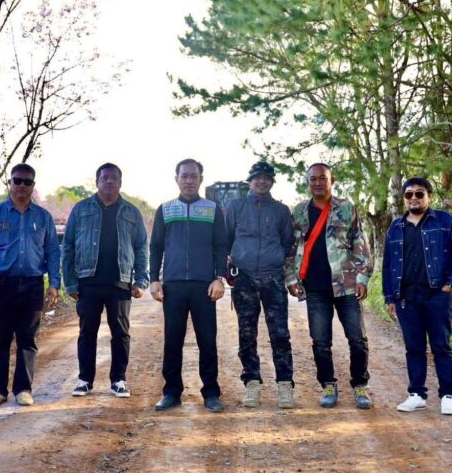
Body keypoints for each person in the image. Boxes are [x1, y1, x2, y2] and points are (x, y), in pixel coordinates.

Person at [286, 163, 374, 409]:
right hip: (314, 287)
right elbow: (291, 248)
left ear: (331, 181)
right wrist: (291, 279)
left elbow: (360, 242)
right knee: (321, 341)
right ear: (308, 182)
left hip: (346, 285)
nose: (317, 183)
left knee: (357, 339)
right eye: (313, 179)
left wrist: (362, 278)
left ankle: (360, 385)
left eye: (322, 178)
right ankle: (328, 384)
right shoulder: (299, 212)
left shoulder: (346, 208)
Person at [0, 163, 61, 407]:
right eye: (17, 180)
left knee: (27, 339)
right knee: (0, 338)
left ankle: (23, 388)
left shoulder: (43, 217)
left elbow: (53, 251)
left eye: (27, 181)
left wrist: (54, 283)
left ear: (33, 186)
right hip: (2, 285)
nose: (22, 185)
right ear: (9, 183)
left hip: (33, 285)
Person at [62, 163, 149, 398]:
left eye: (113, 178)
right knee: (86, 332)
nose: (109, 181)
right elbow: (67, 246)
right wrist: (70, 282)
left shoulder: (131, 212)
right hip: (87, 281)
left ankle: (119, 380)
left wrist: (140, 280)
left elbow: (141, 247)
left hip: (120, 282)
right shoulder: (81, 209)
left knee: (120, 332)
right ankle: (84, 380)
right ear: (97, 181)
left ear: (120, 182)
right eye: (105, 178)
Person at [149, 158, 229, 413]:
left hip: (204, 286)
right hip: (173, 285)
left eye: (194, 176)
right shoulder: (165, 209)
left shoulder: (212, 209)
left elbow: (221, 246)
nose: (189, 180)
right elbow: (156, 246)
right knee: (173, 340)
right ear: (177, 179)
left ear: (201, 179)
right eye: (184, 176)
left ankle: (211, 393)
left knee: (207, 340)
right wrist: (154, 279)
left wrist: (219, 277)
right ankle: (171, 392)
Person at [382, 177, 452, 415]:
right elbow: (388, 264)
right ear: (404, 198)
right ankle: (416, 395)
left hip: (437, 295)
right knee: (414, 348)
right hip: (406, 298)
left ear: (429, 196)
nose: (414, 198)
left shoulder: (445, 221)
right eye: (409, 194)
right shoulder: (396, 227)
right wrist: (390, 297)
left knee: (441, 346)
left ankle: (448, 395)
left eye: (419, 193)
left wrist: (451, 283)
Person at [225, 161, 296, 408]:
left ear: (272, 182)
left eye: (267, 177)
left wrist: (276, 264)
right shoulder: (235, 207)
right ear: (250, 181)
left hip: (273, 279)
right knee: (247, 334)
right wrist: (229, 268)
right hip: (244, 279)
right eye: (257, 177)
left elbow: (288, 243)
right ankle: (252, 383)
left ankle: (285, 385)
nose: (262, 181)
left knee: (280, 334)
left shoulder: (281, 211)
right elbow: (225, 240)